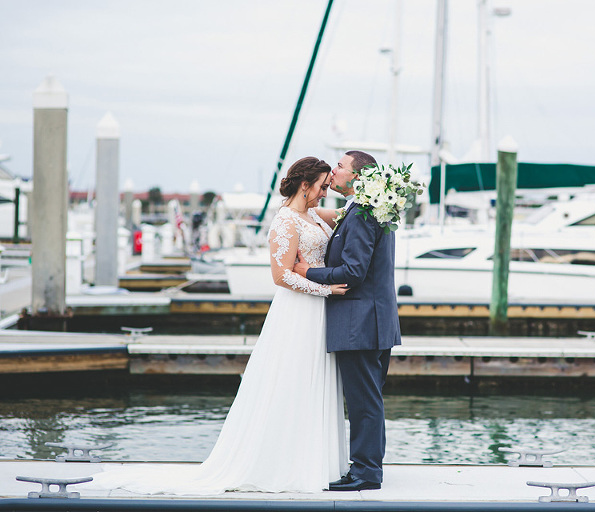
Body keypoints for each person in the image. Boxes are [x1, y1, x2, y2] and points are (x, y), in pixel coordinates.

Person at [86, 157, 349, 495]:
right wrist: (324, 288)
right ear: (305, 184)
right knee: (290, 381)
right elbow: (280, 275)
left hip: (316, 312)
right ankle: (283, 463)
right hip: (298, 311)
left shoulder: (312, 214)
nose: (327, 192)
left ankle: (315, 460)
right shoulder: (285, 220)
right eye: (323, 186)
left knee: (313, 382)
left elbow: (349, 213)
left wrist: (366, 192)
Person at [295, 150, 401, 491]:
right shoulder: (365, 209)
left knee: (363, 401)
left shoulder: (363, 214)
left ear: (357, 176)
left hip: (360, 322)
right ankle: (368, 468)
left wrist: (307, 270)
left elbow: (353, 272)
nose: (333, 171)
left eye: (339, 166)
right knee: (370, 399)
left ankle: (366, 473)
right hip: (373, 320)